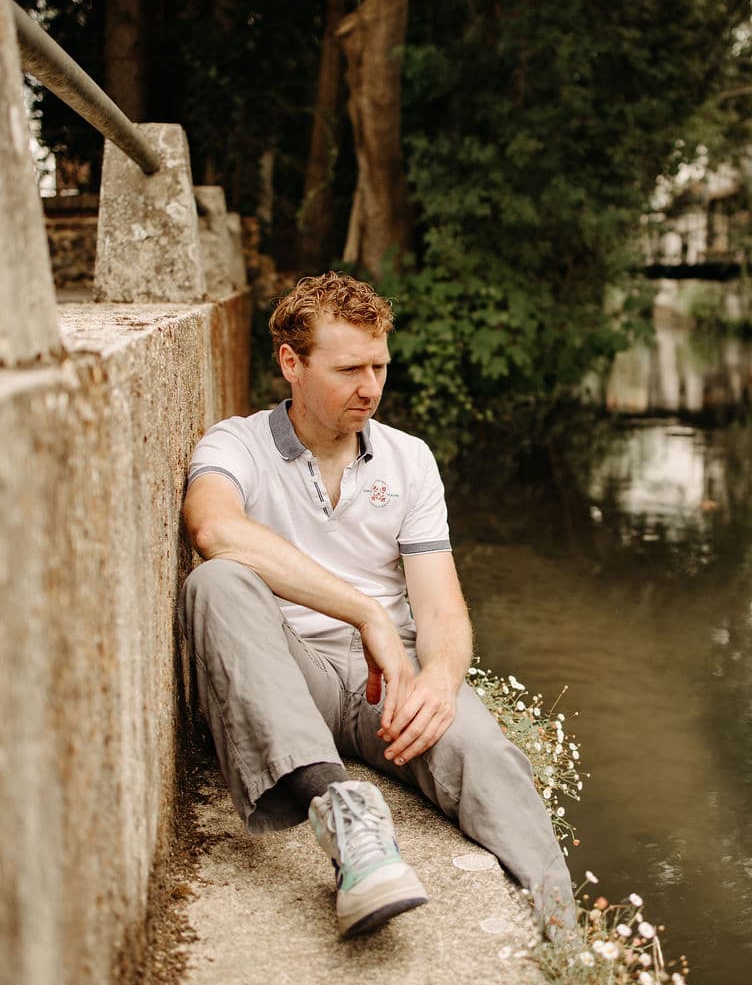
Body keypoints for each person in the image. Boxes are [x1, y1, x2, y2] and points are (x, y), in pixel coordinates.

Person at [181, 271, 573, 939]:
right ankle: (346, 821)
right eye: (348, 369)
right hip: (284, 669)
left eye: (379, 366)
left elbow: (442, 607)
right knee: (215, 582)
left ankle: (562, 931)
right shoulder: (233, 445)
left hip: (384, 684)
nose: (370, 388)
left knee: (485, 755)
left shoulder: (409, 459)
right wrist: (364, 612)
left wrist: (441, 681)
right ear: (291, 363)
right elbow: (214, 530)